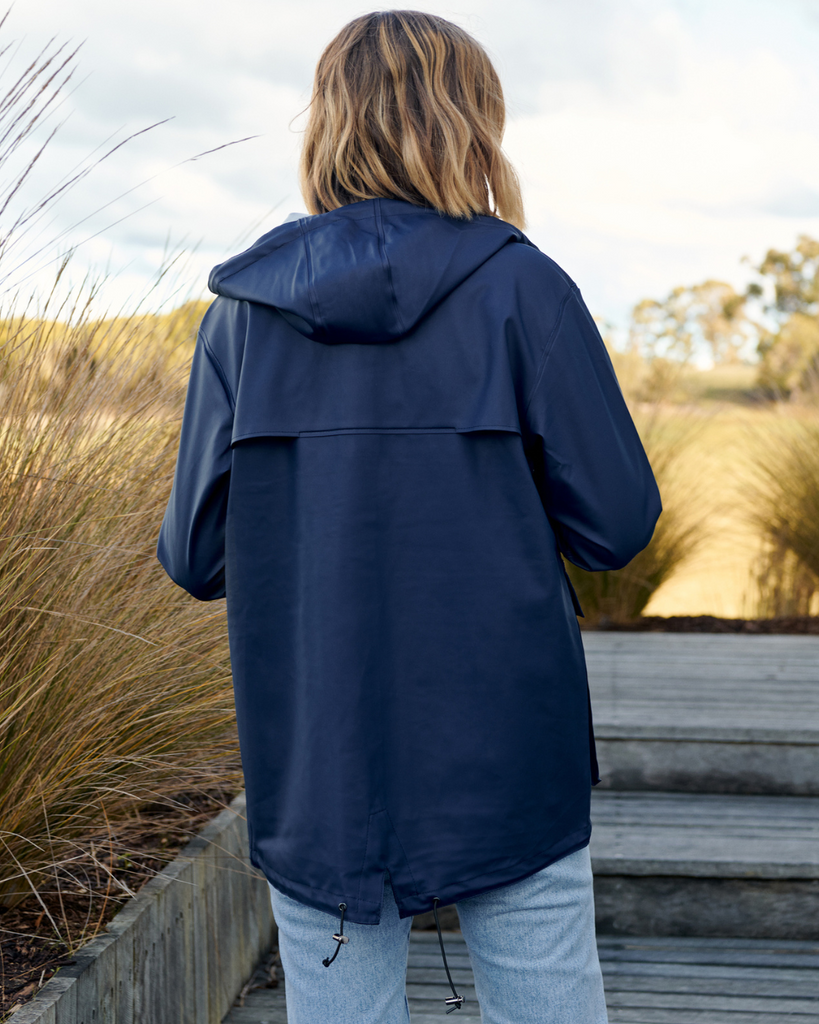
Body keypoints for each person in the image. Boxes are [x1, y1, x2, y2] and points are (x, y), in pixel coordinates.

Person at [158, 10, 661, 1023]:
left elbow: (194, 554)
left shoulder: (243, 316)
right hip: (510, 739)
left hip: (318, 751)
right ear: (472, 122)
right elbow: (618, 523)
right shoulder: (526, 288)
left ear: (328, 124)